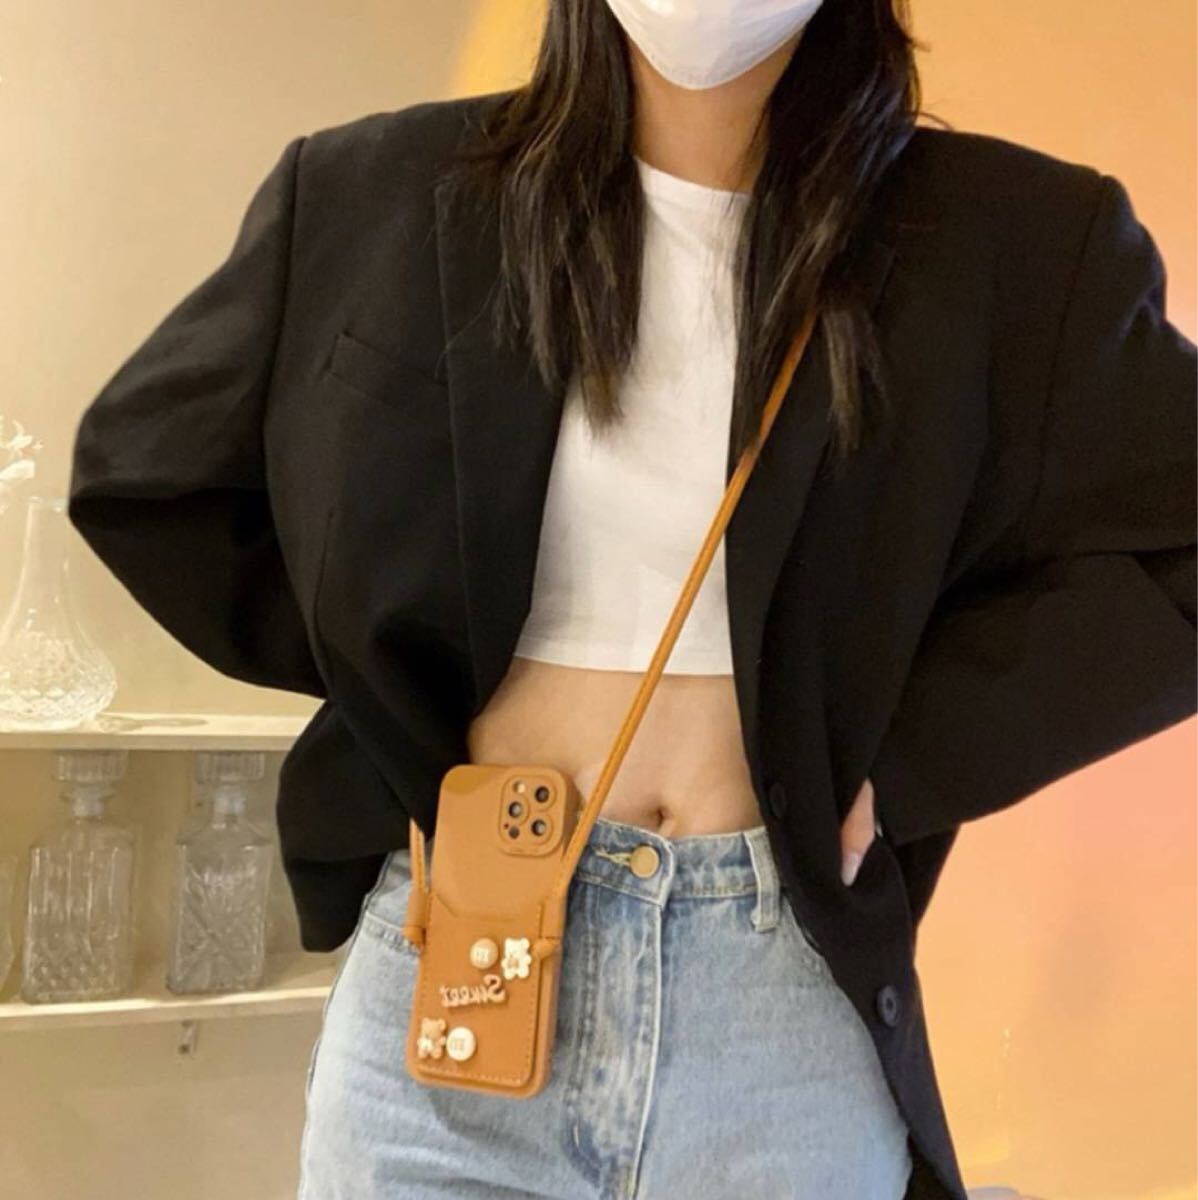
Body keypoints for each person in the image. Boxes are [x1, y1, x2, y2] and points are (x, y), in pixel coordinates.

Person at [66, 1, 1197, 1197]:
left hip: (771, 1003)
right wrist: (390, 695)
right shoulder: (373, 191)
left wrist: (911, 755)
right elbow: (147, 470)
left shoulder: (1013, 238)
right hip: (460, 977)